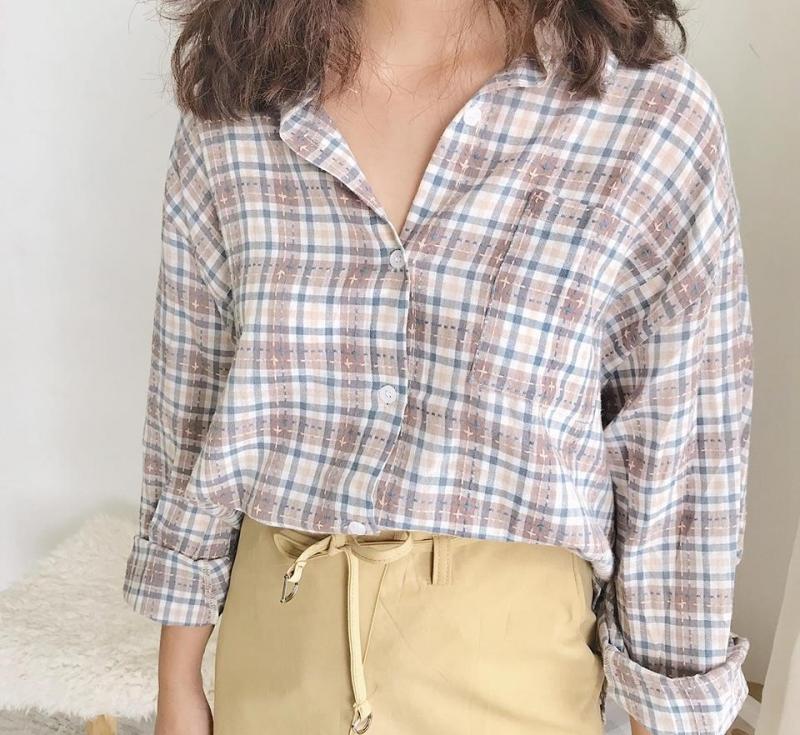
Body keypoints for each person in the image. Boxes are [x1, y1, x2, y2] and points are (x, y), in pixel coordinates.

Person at [122, 1, 754, 734]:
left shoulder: (649, 113)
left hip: (514, 684)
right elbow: (191, 402)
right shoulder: (240, 99)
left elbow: (678, 461)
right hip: (271, 665)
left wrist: (667, 713)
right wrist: (178, 679)